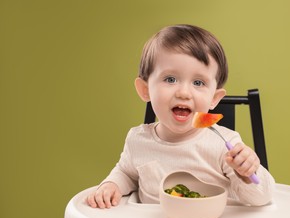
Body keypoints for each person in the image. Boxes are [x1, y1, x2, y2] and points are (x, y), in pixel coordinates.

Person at [87, 24, 275, 208]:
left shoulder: (226, 144)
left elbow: (262, 198)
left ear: (214, 99)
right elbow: (126, 173)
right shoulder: (137, 140)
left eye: (199, 82)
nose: (184, 92)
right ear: (145, 90)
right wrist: (111, 185)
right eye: (170, 79)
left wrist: (247, 173)